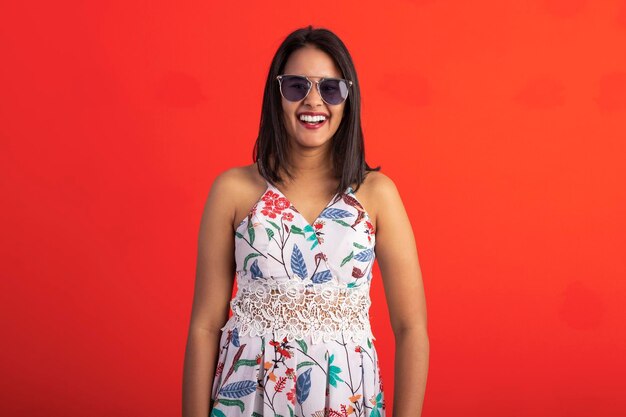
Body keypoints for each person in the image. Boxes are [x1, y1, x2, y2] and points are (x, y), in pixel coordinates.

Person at [182, 25, 429, 417]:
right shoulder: (232, 191)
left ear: (348, 99)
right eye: (297, 86)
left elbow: (411, 328)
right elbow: (205, 327)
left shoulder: (377, 195)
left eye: (330, 88)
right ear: (276, 96)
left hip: (349, 401)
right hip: (248, 402)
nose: (313, 101)